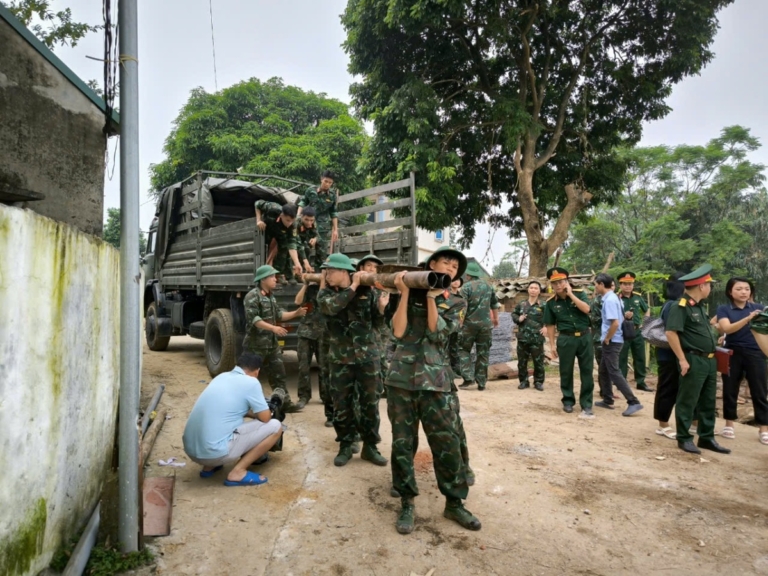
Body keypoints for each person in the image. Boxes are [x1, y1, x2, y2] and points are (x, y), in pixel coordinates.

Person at [387, 246, 480, 535]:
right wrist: (404, 293)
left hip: (436, 381)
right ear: (432, 264)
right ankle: (406, 501)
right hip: (401, 379)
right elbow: (398, 332)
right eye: (446, 262)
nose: (450, 268)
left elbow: (437, 332)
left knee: (446, 442)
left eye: (455, 267)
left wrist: (432, 299)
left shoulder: (456, 302)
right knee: (403, 443)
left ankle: (454, 502)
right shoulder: (408, 287)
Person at [318, 253, 388, 467]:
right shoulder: (325, 294)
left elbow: (377, 323)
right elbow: (332, 308)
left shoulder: (369, 291)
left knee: (370, 404)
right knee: (342, 405)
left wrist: (382, 309)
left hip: (368, 357)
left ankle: (370, 446)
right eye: (326, 271)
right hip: (340, 359)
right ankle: (346, 445)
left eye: (331, 271)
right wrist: (353, 287)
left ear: (344, 272)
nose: (327, 275)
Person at [182, 353, 283, 486]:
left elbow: (231, 410)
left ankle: (209, 467)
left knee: (222, 423)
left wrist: (251, 413)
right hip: (214, 453)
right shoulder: (251, 382)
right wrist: (269, 409)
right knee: (275, 426)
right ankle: (238, 472)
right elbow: (265, 418)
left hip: (192, 452)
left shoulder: (221, 377)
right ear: (257, 371)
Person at [665, 264, 731, 455]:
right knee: (688, 400)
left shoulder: (700, 308)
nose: (710, 288)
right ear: (702, 286)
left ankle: (707, 437)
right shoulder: (681, 307)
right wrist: (682, 360)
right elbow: (671, 333)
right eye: (709, 285)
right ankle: (684, 438)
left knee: (708, 400)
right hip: (693, 360)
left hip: (709, 361)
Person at [243, 265, 307, 411]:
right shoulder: (252, 296)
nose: (275, 279)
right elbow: (254, 320)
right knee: (249, 379)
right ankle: (244, 406)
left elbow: (279, 315)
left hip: (271, 345)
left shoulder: (271, 296)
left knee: (279, 375)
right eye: (272, 277)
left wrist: (295, 313)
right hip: (255, 345)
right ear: (263, 279)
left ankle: (285, 403)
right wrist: (273, 328)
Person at [715, 276, 768, 445]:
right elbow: (726, 328)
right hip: (733, 352)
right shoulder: (724, 309)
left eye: (746, 288)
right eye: (738, 289)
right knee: (730, 389)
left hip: (756, 353)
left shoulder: (759, 308)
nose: (743, 292)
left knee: (759, 391)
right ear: (730, 292)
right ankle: (729, 424)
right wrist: (748, 319)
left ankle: (764, 428)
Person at [543, 267, 595, 417]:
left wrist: (571, 294)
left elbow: (586, 309)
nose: (558, 285)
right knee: (566, 371)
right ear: (551, 286)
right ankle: (568, 400)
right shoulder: (551, 303)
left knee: (587, 371)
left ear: (567, 282)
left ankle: (586, 404)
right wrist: (552, 345)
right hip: (566, 339)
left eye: (561, 282)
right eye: (555, 283)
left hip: (584, 337)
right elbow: (550, 325)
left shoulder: (580, 294)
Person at [592, 273, 643, 417]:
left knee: (614, 371)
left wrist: (607, 338)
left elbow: (615, 322)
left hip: (613, 341)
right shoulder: (613, 297)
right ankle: (607, 399)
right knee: (603, 370)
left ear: (602, 284)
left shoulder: (609, 300)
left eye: (596, 284)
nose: (595, 287)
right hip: (613, 339)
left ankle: (633, 401)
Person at [458, 262, 501, 391]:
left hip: (469, 325)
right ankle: (481, 382)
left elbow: (462, 307)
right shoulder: (489, 286)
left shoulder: (465, 288)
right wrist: (496, 318)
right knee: (483, 353)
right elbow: (494, 304)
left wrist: (460, 322)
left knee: (463, 350)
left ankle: (468, 378)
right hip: (486, 325)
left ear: (468, 274)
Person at [654, 273, 686, 439]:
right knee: (667, 388)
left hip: (677, 355)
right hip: (668, 355)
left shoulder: (679, 304)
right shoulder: (672, 305)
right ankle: (663, 424)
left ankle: (692, 423)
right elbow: (672, 332)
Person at [294, 277, 328, 413]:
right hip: (305, 332)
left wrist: (323, 282)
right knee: (303, 367)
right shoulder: (307, 290)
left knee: (324, 367)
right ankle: (303, 396)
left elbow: (323, 299)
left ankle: (326, 396)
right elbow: (297, 301)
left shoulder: (327, 290)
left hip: (323, 333)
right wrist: (305, 284)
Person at [617, 272, 653, 392]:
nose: (628, 286)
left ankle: (641, 382)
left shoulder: (637, 297)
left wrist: (645, 323)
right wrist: (624, 316)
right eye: (625, 284)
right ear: (620, 285)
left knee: (640, 356)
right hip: (622, 331)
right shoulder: (616, 298)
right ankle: (622, 382)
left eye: (630, 284)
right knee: (622, 357)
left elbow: (647, 309)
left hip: (637, 331)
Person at [254, 201, 304, 283]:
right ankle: (262, 275)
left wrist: (297, 263)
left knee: (284, 248)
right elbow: (257, 204)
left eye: (292, 221)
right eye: (287, 220)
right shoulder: (273, 208)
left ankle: (278, 274)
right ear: (281, 215)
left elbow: (292, 245)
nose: (289, 223)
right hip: (266, 229)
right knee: (262, 251)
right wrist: (258, 220)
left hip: (281, 233)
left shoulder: (293, 225)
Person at [297, 170, 339, 264]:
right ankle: (303, 273)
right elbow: (303, 202)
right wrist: (298, 216)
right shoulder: (311, 190)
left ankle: (320, 276)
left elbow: (334, 212)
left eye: (330, 183)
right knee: (306, 249)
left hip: (322, 227)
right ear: (321, 179)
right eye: (326, 181)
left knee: (322, 254)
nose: (327, 184)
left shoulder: (332, 196)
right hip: (309, 225)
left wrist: (336, 229)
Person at [512, 281, 546, 391]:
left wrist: (546, 327)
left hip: (537, 338)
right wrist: (518, 319)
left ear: (539, 291)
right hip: (523, 338)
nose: (533, 290)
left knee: (538, 362)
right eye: (531, 287)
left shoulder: (543, 305)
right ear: (528, 290)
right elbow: (514, 314)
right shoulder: (522, 304)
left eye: (536, 288)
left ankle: (538, 382)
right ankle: (523, 381)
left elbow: (551, 318)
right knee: (522, 362)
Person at [448, 276, 465, 379]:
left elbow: (463, 310)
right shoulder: (446, 294)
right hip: (447, 323)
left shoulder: (461, 295)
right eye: (453, 280)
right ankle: (449, 370)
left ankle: (456, 369)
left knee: (455, 347)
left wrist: (461, 321)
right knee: (446, 348)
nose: (456, 282)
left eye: (458, 280)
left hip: (458, 325)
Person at [296, 207, 320, 272]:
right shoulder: (296, 223)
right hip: (293, 241)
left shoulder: (313, 223)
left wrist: (315, 239)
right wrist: (305, 261)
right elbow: (298, 243)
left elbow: (317, 235)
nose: (309, 223)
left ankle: (304, 270)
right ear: (301, 217)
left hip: (304, 241)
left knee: (307, 248)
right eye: (306, 219)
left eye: (311, 220)